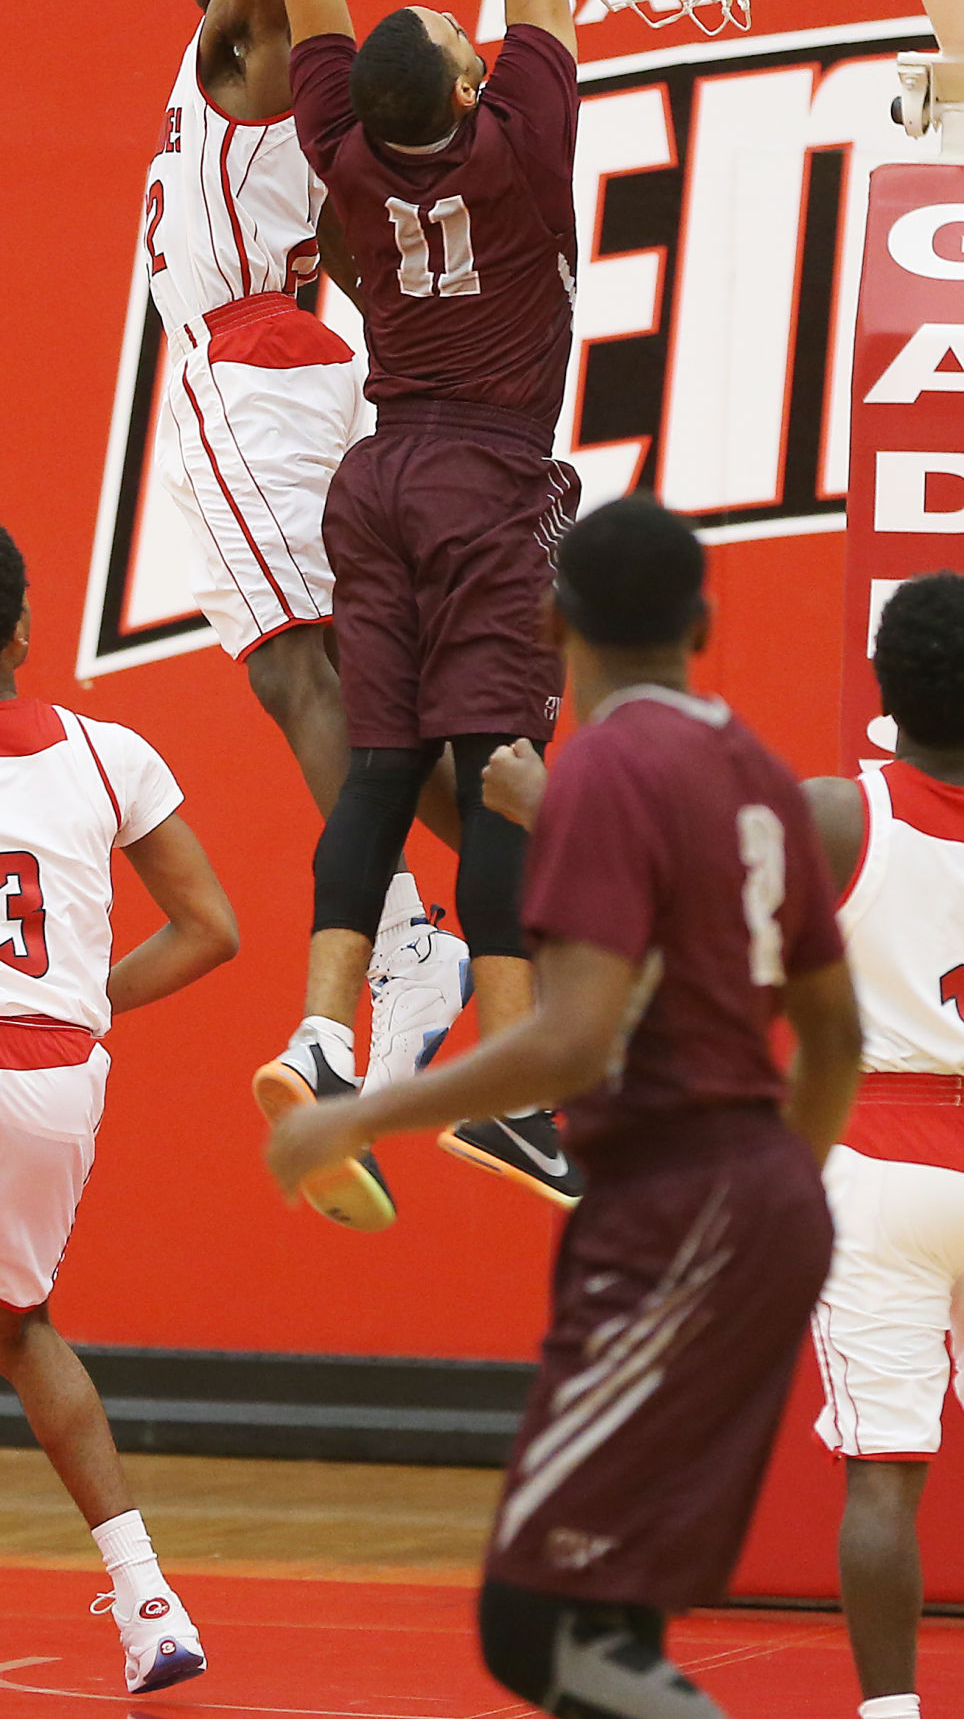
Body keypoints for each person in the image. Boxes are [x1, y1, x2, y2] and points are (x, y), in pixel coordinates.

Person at [264, 495, 863, 1719]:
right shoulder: (753, 769)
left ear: (547, 619)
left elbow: (574, 1041)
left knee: (529, 1620)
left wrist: (364, 1115)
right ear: (701, 618)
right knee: (609, 1617)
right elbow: (833, 1038)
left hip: (676, 1204)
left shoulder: (603, 768)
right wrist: (772, 1188)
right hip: (758, 1197)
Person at [208, 0, 583, 1225]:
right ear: (474, 77)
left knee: (376, 767)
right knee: (498, 766)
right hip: (489, 482)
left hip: (378, 475)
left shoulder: (347, 145)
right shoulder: (522, 150)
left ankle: (322, 1022)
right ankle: (517, 1093)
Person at [148, 0, 469, 1230]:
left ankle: (404, 936)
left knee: (298, 670)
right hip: (307, 375)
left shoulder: (247, 63)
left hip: (258, 382)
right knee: (387, 694)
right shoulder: (242, 89)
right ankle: (533, 905)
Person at [0, 525, 238, 1692]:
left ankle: (149, 1599)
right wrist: (85, 1008)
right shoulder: (108, 753)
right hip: (53, 1079)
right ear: (26, 631)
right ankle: (148, 1601)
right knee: (19, 1325)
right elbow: (212, 930)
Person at [804, 570, 964, 1719]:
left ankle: (891, 1716)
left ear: (884, 686)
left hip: (874, 1153)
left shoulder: (835, 812)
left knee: (884, 1477)